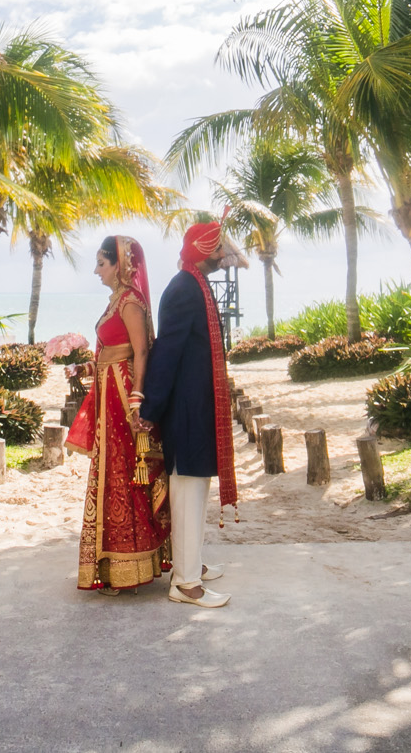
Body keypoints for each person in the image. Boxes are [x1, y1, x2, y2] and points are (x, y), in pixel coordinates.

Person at [138, 218, 248, 608]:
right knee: (187, 492)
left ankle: (191, 565)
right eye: (217, 249)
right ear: (203, 250)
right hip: (186, 410)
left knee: (196, 491)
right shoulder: (185, 289)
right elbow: (166, 353)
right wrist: (151, 407)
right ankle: (185, 585)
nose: (222, 256)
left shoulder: (193, 285)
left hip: (198, 406)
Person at [65, 235, 170, 592]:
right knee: (112, 473)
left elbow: (140, 352)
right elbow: (111, 352)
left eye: (101, 263)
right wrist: (85, 370)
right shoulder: (115, 302)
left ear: (120, 265)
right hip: (111, 394)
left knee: (127, 473)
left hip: (125, 397)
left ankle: (133, 565)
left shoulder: (130, 302)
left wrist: (138, 399)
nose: (96, 271)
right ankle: (114, 564)